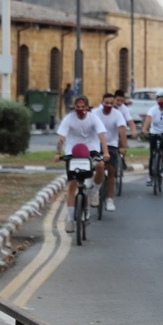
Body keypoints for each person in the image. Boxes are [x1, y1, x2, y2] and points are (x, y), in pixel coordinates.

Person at [54, 96, 111, 233]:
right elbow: (61, 138)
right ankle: (70, 220)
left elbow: (102, 136)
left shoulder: (94, 118)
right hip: (73, 151)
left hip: (91, 150)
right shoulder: (69, 119)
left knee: (100, 166)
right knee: (72, 185)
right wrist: (58, 152)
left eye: (83, 107)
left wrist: (105, 152)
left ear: (87, 107)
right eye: (78, 107)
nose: (80, 109)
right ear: (74, 107)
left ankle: (95, 192)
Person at [92, 93, 128, 212]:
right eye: (106, 103)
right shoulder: (95, 113)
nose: (108, 105)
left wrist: (123, 146)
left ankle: (109, 199)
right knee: (93, 168)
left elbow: (122, 130)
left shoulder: (117, 114)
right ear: (102, 102)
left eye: (111, 103)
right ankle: (94, 190)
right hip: (96, 144)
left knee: (111, 171)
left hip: (111, 144)